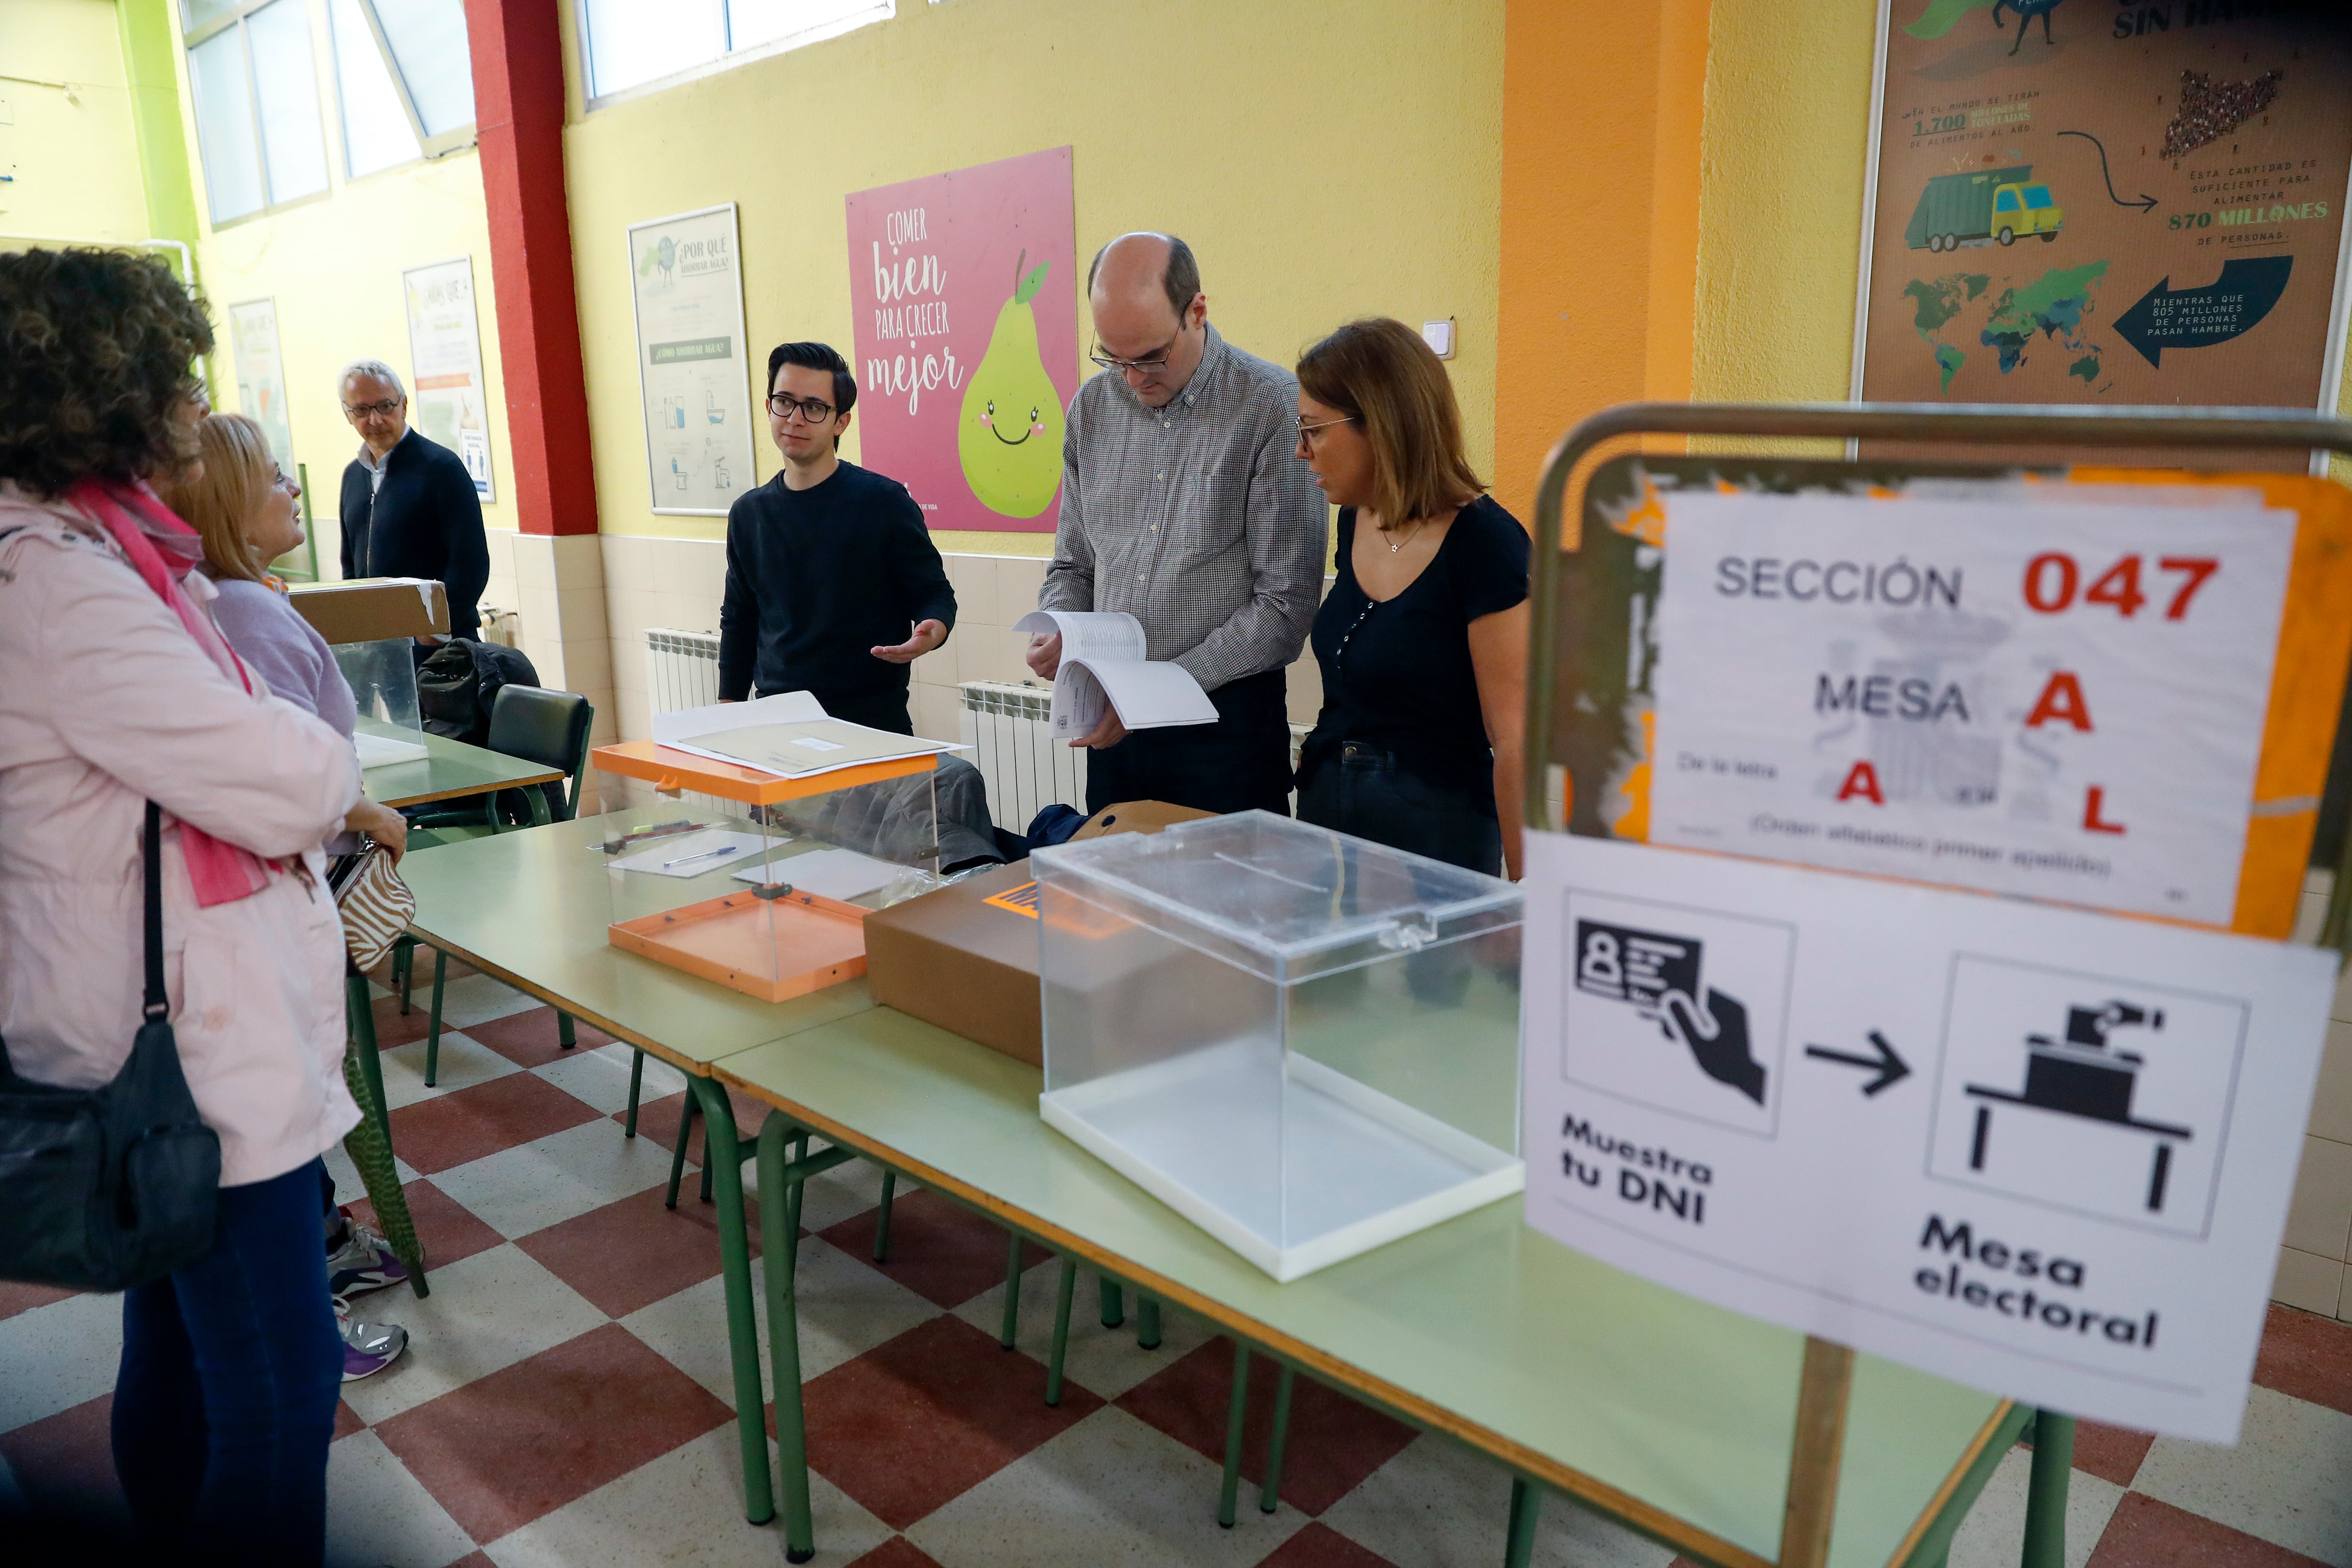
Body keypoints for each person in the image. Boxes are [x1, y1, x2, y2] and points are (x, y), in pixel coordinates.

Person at [0, 247, 360, 1561]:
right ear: (103, 392)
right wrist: (310, 759)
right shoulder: (64, 586)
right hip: (188, 1055)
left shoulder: (102, 554)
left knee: (178, 1345)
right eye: (177, 379)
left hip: (161, 1037)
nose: (197, 406)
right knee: (281, 1385)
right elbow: (295, 779)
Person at [157, 411, 415, 1380]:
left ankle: (320, 1249)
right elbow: (284, 779)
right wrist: (363, 807)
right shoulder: (244, 613)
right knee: (273, 1135)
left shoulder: (229, 602)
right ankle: (309, 1302)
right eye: (273, 476)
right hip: (254, 926)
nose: (294, 487)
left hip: (241, 926)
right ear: (229, 503)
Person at [1029, 232, 1327, 816]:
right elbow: (1073, 564)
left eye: (1149, 356)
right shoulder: (1091, 408)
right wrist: (1060, 626)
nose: (1132, 379)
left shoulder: (1270, 406)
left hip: (1225, 733)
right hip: (1113, 732)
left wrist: (1157, 691)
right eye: (1114, 358)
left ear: (1196, 311)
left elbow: (1285, 607)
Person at [1289, 317, 1530, 879]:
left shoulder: (1487, 544)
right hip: (1330, 824)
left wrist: (1527, 891)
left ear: (1380, 425)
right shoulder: (1354, 519)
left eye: (1313, 431)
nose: (1301, 452)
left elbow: (1515, 738)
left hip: (1434, 842)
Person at [718, 341, 956, 734]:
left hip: (872, 725)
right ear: (769, 407)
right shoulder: (749, 514)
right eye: (784, 402)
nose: (795, 419)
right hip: (778, 723)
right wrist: (727, 714)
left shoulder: (884, 502)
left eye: (813, 408)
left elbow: (934, 593)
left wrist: (933, 629)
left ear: (841, 422)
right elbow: (739, 620)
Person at [336, 358, 491, 640]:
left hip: (442, 647)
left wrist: (436, 627)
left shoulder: (442, 468)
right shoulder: (352, 477)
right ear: (348, 415)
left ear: (404, 406)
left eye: (385, 406)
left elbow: (472, 563)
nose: (375, 419)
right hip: (380, 644)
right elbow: (350, 564)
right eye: (362, 410)